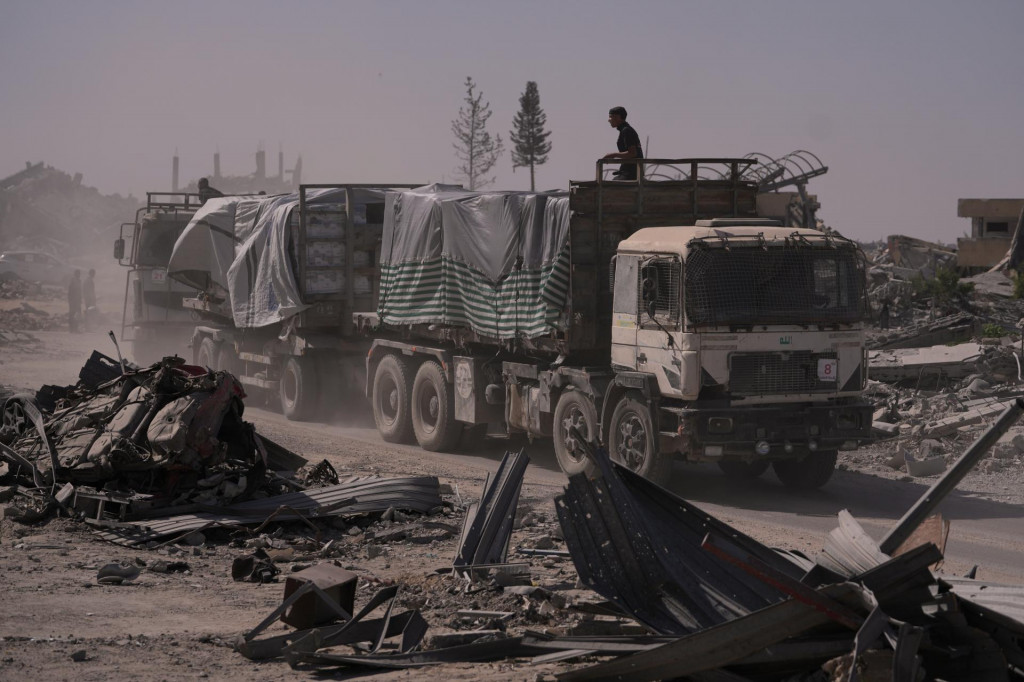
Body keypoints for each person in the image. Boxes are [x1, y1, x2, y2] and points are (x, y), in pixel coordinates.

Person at [603, 106, 644, 180]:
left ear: (618, 117)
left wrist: (613, 155)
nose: (609, 120)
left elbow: (633, 153)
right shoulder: (625, 130)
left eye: (611, 117)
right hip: (629, 172)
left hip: (631, 174)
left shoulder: (626, 131)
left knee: (606, 187)